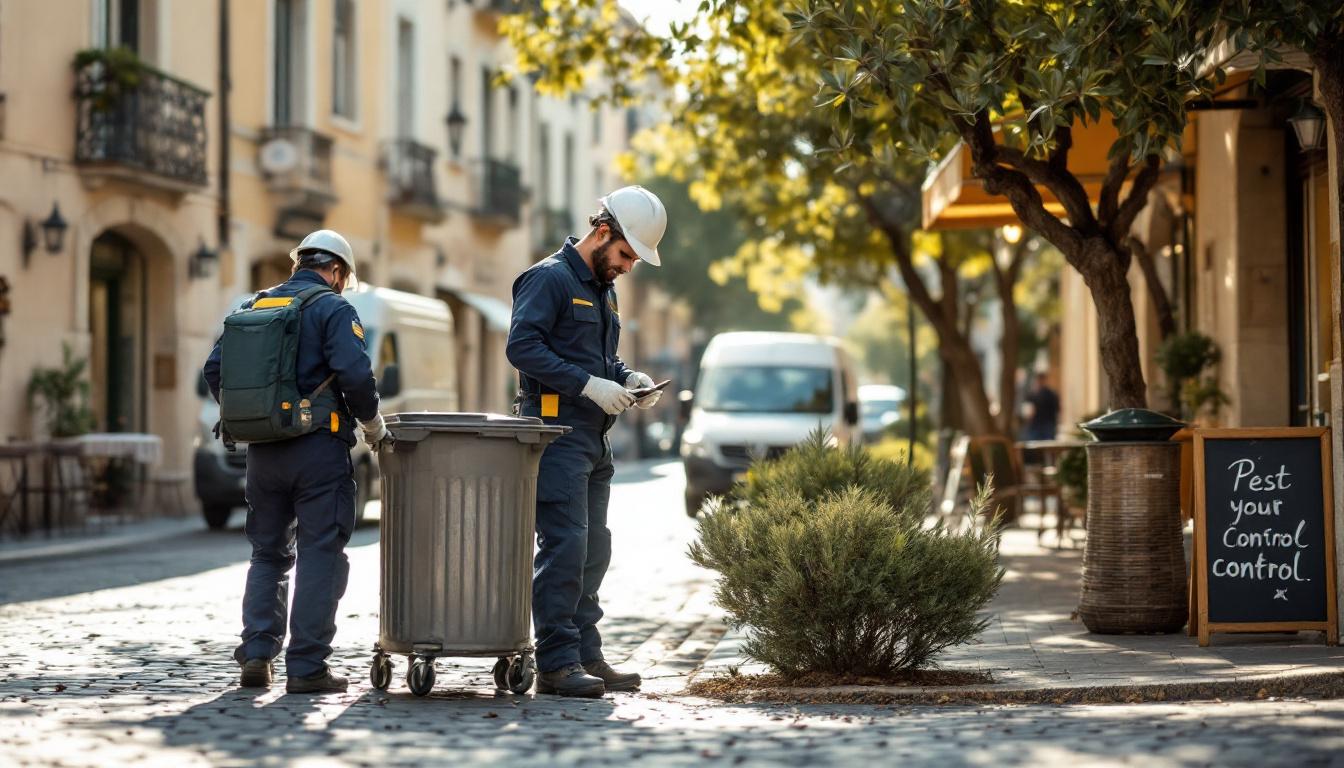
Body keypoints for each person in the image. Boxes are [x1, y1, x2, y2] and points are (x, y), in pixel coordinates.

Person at [203, 230, 388, 694]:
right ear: (338, 271)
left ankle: (258, 654)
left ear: (298, 263)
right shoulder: (333, 308)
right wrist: (372, 425)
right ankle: (306, 668)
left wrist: (254, 416)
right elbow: (354, 373)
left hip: (263, 453)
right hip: (318, 450)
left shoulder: (254, 307)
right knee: (320, 554)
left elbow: (214, 369)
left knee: (267, 554)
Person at [506, 185, 668, 698]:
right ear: (603, 233)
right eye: (625, 254)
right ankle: (556, 663)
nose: (627, 266)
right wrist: (588, 386)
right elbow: (522, 346)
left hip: (594, 439)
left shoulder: (604, 290)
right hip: (556, 435)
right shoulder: (548, 279)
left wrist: (627, 379)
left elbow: (601, 362)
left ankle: (585, 653)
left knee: (593, 548)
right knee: (565, 546)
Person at [1023, 371, 1060, 441]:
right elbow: (1028, 411)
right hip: (1035, 425)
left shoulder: (1050, 394)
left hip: (1047, 424)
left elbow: (1056, 409)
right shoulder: (1032, 394)